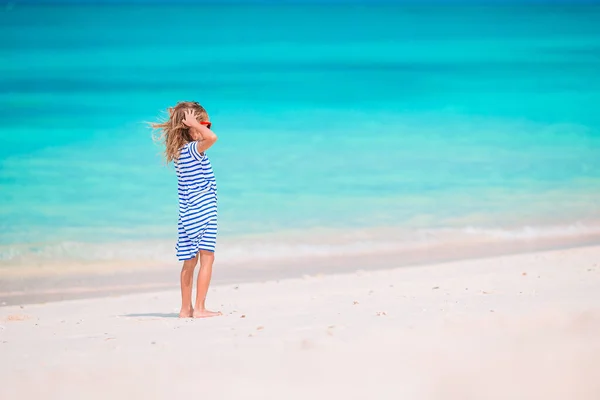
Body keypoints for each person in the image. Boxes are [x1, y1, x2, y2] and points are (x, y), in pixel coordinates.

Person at [152, 101, 221, 318]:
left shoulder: (179, 153)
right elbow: (213, 138)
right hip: (204, 213)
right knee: (207, 259)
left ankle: (185, 309)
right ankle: (199, 308)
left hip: (187, 215)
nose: (207, 129)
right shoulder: (193, 149)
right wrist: (196, 124)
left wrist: (194, 124)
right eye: (204, 124)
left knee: (188, 262)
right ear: (189, 128)